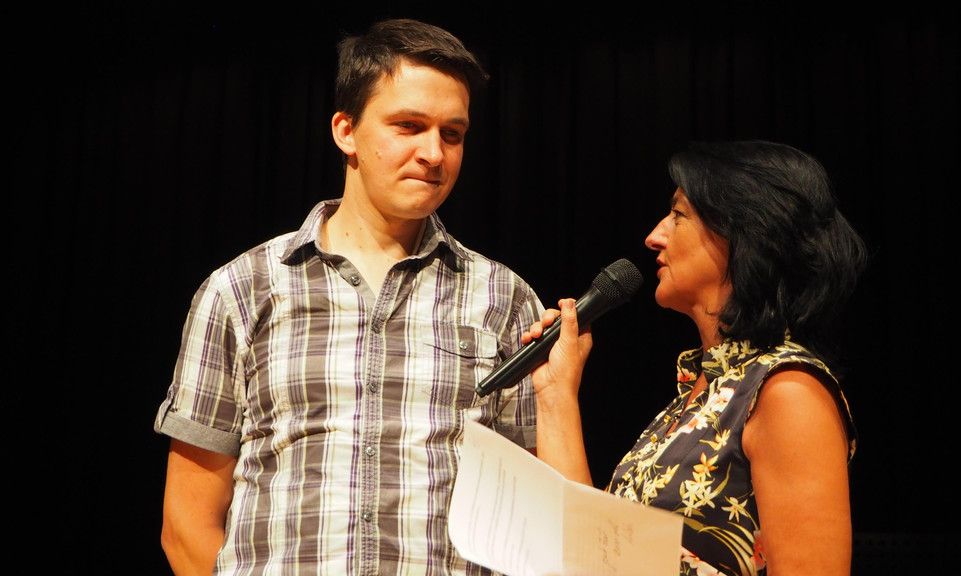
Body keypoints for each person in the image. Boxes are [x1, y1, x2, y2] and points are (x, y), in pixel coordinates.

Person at [154, 18, 543, 575]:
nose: (434, 153)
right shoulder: (243, 289)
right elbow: (187, 523)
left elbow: (528, 520)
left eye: (452, 134)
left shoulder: (504, 300)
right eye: (408, 126)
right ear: (346, 130)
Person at [526, 140, 867, 575]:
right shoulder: (700, 397)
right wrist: (555, 390)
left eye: (678, 214)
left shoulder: (787, 391)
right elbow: (587, 553)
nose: (654, 236)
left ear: (744, 232)